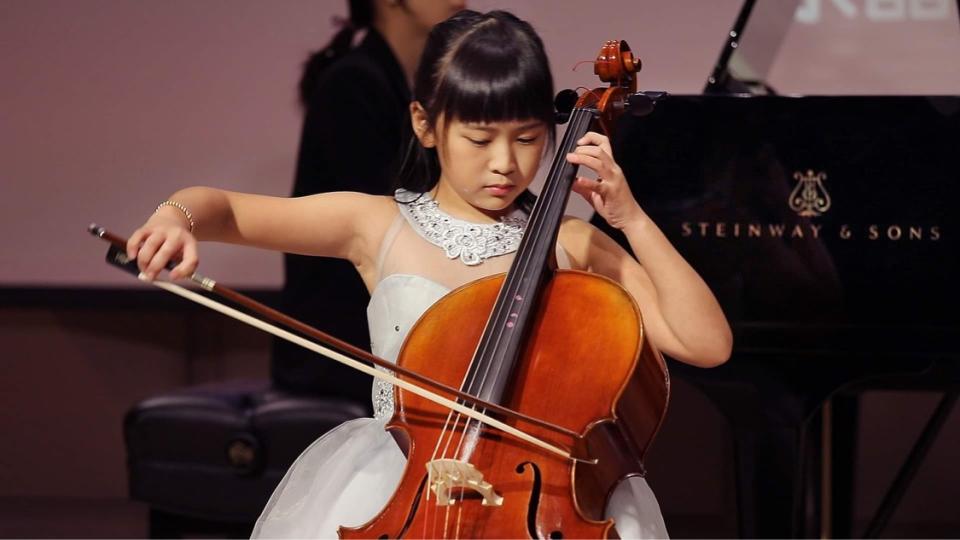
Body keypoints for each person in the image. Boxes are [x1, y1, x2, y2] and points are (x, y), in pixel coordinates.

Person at [127, 10, 732, 538]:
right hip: (400, 487)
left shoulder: (569, 244)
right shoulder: (375, 225)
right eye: (479, 138)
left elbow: (705, 343)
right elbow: (222, 208)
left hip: (537, 502)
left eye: (526, 138)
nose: (505, 163)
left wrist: (631, 219)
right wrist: (176, 216)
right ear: (425, 124)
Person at [277, 0, 464, 404]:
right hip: (344, 346)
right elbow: (393, 219)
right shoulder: (352, 84)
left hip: (400, 331)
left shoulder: (411, 81)